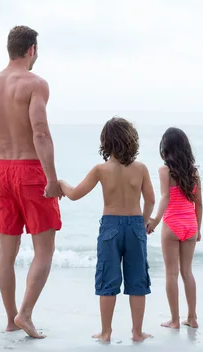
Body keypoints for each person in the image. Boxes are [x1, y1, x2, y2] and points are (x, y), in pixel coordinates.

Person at [0, 25, 63, 339]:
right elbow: (40, 133)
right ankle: (25, 313)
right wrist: (51, 179)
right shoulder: (36, 84)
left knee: (6, 253)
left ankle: (11, 319)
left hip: (2, 171)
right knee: (44, 250)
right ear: (32, 50)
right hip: (30, 171)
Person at [58, 117, 155, 343]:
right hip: (134, 226)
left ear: (105, 142)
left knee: (107, 280)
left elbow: (74, 194)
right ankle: (137, 333)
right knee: (137, 280)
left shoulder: (101, 170)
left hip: (110, 226)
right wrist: (143, 221)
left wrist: (61, 183)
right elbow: (150, 199)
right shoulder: (140, 168)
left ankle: (106, 332)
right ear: (132, 140)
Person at [146, 127, 202, 329]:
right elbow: (199, 204)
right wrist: (199, 229)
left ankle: (175, 320)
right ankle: (193, 318)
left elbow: (165, 197)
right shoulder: (194, 173)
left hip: (172, 225)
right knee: (187, 272)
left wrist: (154, 220)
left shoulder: (165, 171)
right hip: (190, 225)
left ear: (166, 148)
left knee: (171, 273)